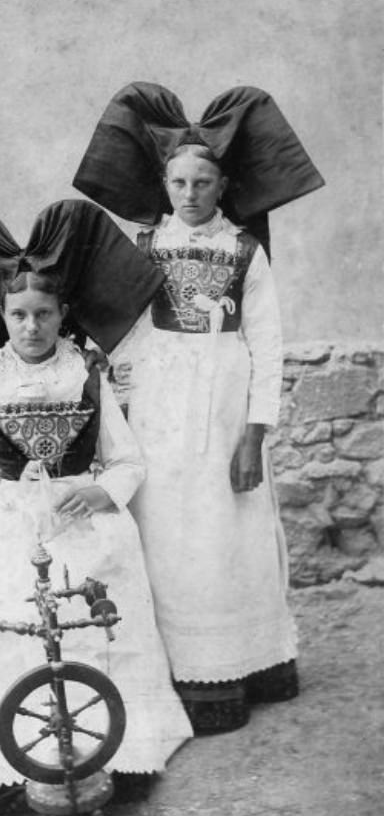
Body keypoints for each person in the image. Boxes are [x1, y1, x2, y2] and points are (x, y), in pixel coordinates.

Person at [72, 82, 325, 734]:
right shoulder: (145, 247)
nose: (190, 194)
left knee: (226, 533)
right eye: (179, 183)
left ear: (222, 185)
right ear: (165, 185)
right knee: (168, 531)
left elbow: (266, 346)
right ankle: (183, 667)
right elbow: (126, 329)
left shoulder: (245, 252)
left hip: (223, 408)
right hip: (160, 405)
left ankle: (245, 660)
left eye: (203, 183)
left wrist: (253, 436)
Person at [0, 267, 193, 799]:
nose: (31, 327)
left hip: (83, 522)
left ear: (62, 315)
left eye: (43, 314)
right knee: (7, 614)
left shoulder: (88, 380)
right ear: (3, 318)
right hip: (8, 523)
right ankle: (7, 754)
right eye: (19, 315)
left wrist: (99, 493)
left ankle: (117, 749)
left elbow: (127, 462)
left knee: (90, 618)